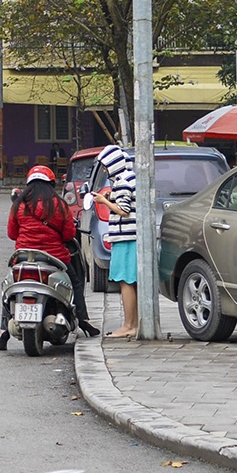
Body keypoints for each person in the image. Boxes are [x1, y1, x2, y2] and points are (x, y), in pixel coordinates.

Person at [0, 164, 97, 351]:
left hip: (23, 258)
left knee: (8, 289)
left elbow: (12, 233)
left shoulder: (19, 204)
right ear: (51, 184)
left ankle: (4, 330)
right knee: (76, 282)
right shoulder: (59, 205)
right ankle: (83, 319)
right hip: (54, 257)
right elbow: (69, 235)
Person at [96, 143, 140, 339]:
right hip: (132, 236)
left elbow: (123, 210)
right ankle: (134, 324)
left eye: (105, 166)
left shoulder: (122, 181)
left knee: (125, 281)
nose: (105, 170)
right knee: (131, 281)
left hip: (125, 237)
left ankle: (129, 325)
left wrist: (104, 201)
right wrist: (111, 195)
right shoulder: (131, 178)